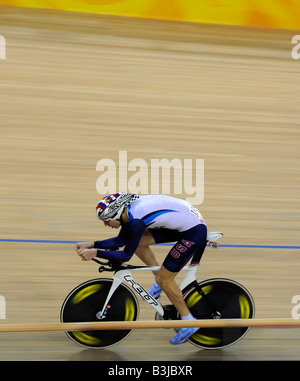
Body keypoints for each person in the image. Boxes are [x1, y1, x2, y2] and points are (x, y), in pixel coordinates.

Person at [76, 193, 207, 345]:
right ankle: (159, 284)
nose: (105, 224)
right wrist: (91, 244)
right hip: (185, 220)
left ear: (116, 213)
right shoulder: (128, 213)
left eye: (106, 220)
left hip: (194, 231)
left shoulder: (136, 221)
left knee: (165, 279)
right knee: (137, 243)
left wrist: (95, 253)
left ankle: (189, 322)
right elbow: (121, 240)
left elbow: (125, 255)